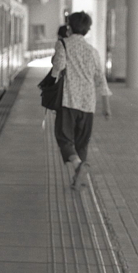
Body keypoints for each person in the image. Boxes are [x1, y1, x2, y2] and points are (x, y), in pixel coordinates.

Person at [51, 11, 111, 189]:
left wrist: (52, 83)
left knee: (64, 139)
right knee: (82, 143)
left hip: (68, 101)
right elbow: (100, 77)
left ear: (69, 26)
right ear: (87, 30)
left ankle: (78, 166)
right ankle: (78, 178)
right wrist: (106, 105)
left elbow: (58, 68)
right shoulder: (92, 51)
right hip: (88, 105)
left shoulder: (63, 44)